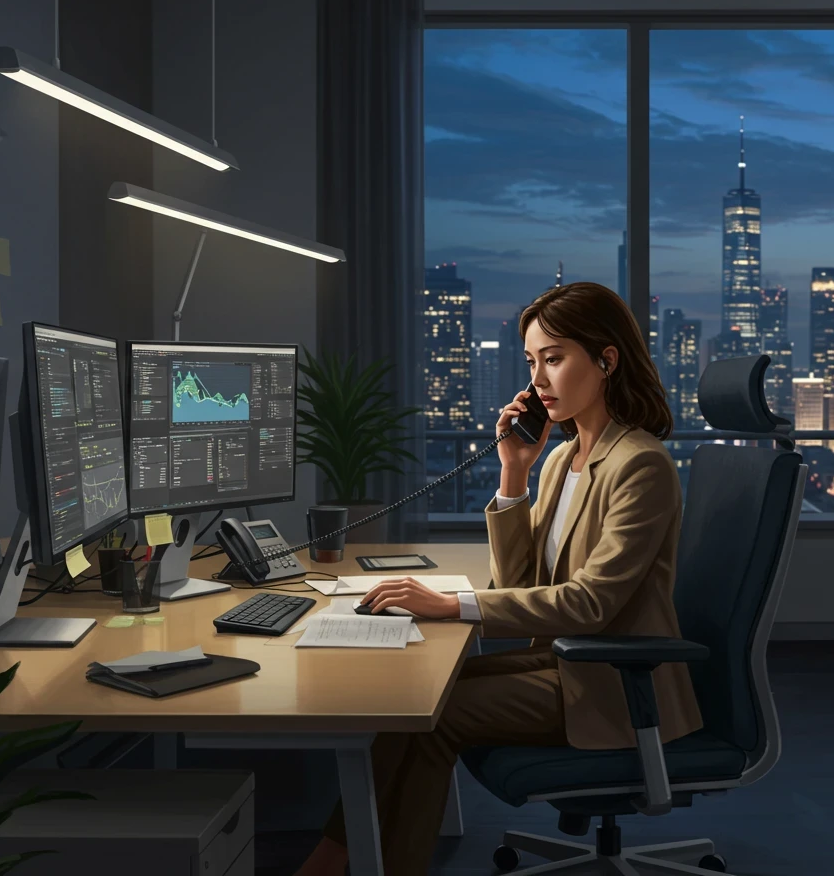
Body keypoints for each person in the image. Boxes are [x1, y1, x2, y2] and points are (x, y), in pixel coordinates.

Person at [293, 282, 703, 876]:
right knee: (417, 698)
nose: (538, 380)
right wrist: (515, 473)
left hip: (612, 686)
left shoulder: (640, 464)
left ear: (607, 360)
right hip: (562, 661)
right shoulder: (562, 458)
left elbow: (590, 604)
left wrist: (450, 604)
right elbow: (521, 580)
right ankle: (338, 856)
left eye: (554, 359)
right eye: (532, 362)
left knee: (439, 718)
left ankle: (346, 861)